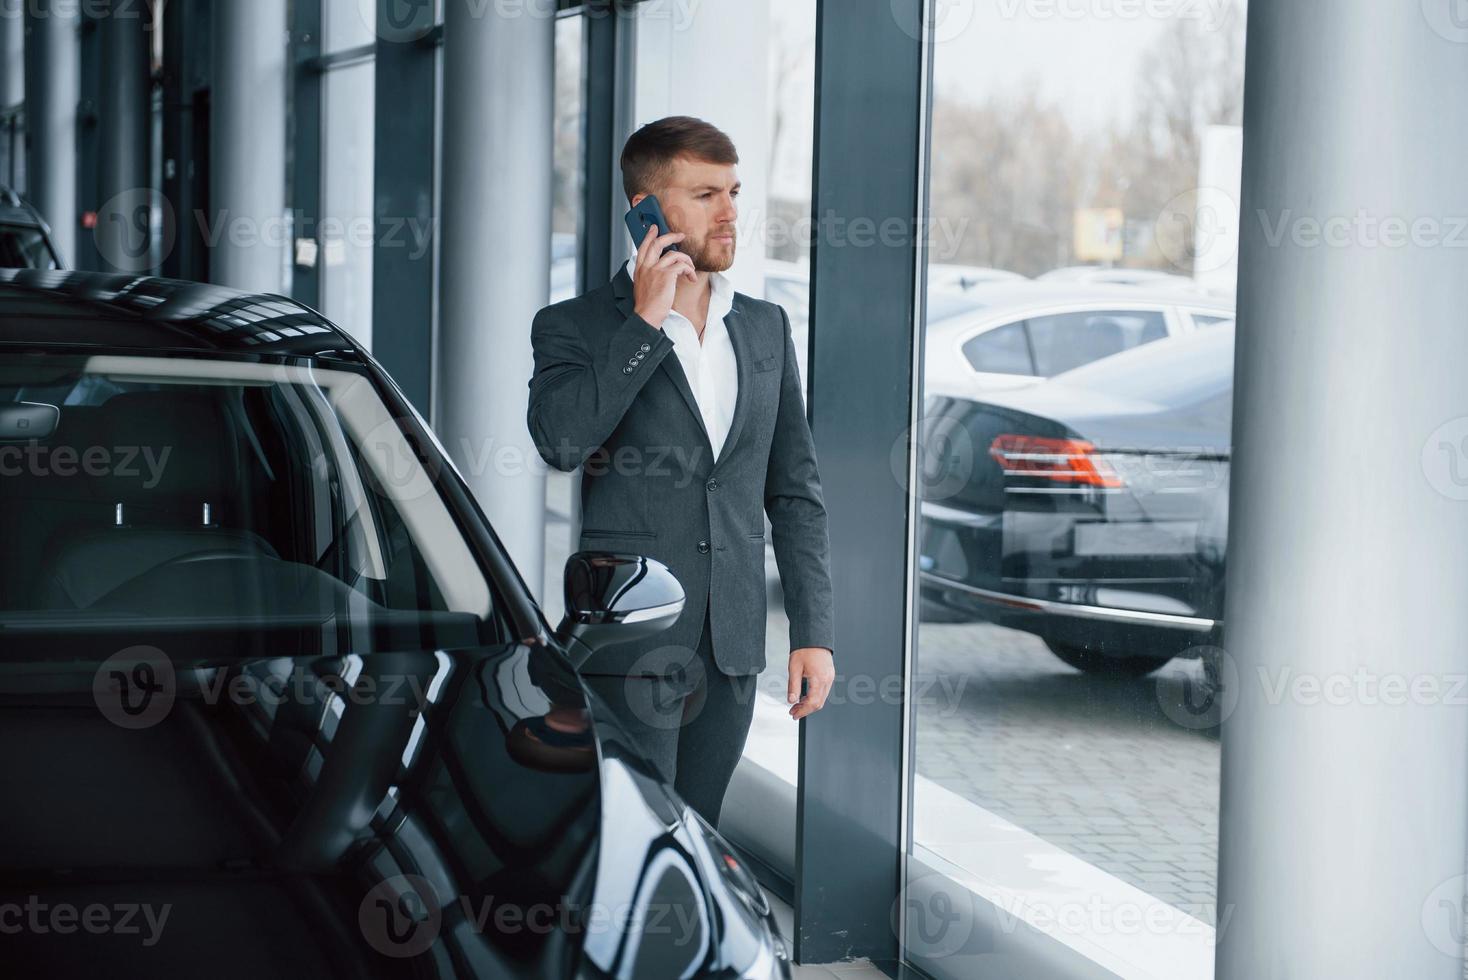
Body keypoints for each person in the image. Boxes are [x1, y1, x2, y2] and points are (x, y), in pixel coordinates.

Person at [525, 115, 835, 828]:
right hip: (631, 640)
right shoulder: (574, 327)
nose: (730, 212)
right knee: (631, 834)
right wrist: (643, 325)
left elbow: (794, 491)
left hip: (729, 644)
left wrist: (813, 633)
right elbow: (561, 442)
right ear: (646, 212)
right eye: (704, 195)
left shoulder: (765, 327)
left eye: (733, 191)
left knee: (699, 834)